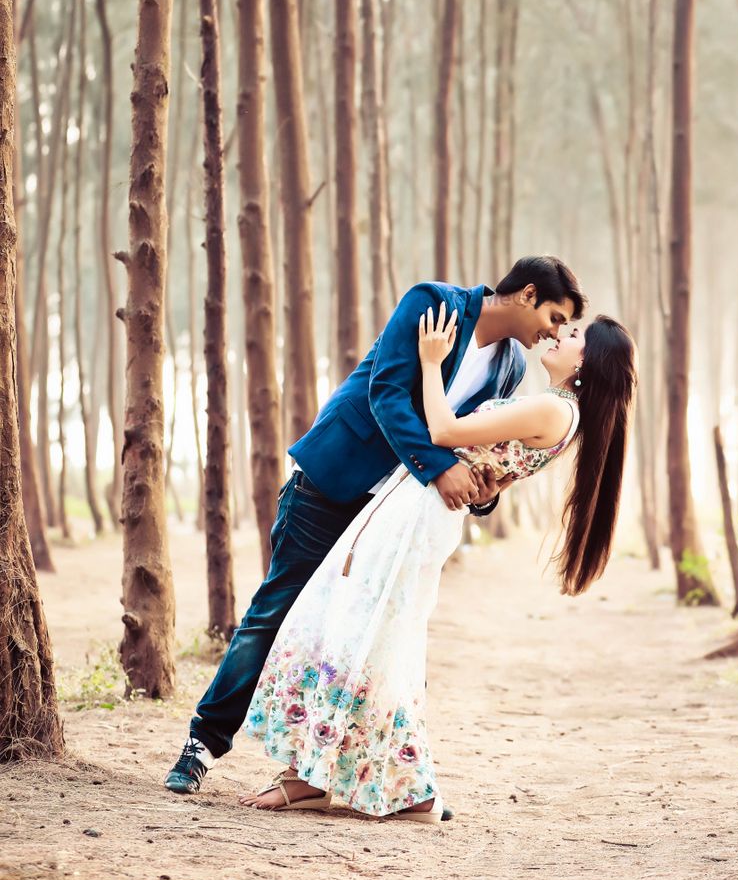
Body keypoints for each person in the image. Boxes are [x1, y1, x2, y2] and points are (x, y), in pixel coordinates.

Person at [163, 256, 585, 796]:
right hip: (334, 480)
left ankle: (379, 778)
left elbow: (474, 443)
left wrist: (481, 495)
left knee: (372, 637)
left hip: (396, 514)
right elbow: (384, 394)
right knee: (274, 610)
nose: (553, 332)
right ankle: (202, 744)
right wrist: (439, 469)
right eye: (554, 317)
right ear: (527, 294)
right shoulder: (434, 305)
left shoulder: (510, 368)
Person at [237, 305, 636, 823]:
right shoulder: (558, 413)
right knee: (369, 631)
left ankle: (360, 784)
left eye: (576, 333)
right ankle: (347, 779)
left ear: (590, 362)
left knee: (361, 627)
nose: (560, 334)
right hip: (422, 505)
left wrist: (430, 362)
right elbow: (491, 474)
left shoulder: (554, 410)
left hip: (419, 511)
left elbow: (443, 431)